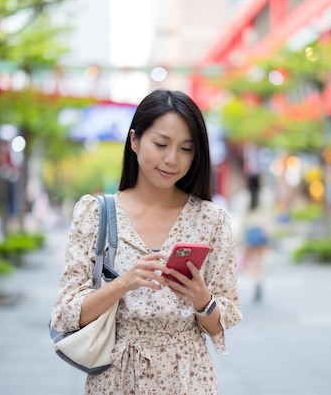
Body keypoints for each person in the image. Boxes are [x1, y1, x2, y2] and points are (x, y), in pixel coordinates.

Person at [50, 89, 242, 394]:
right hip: (115, 377)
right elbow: (66, 312)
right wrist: (123, 283)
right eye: (161, 144)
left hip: (189, 378)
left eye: (186, 149)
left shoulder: (211, 220)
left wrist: (201, 297)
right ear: (135, 140)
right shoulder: (96, 213)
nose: (172, 159)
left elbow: (221, 321)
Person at [240, 173, 273, 303]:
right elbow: (270, 215)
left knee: (248, 262)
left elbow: (242, 218)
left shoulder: (244, 196)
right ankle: (259, 280)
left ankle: (254, 283)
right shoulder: (266, 195)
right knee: (260, 262)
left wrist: (241, 236)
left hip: (250, 231)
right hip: (262, 231)